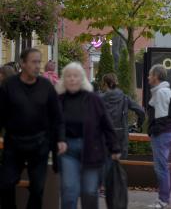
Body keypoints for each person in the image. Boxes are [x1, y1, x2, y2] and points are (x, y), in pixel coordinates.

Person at [0, 48, 67, 209]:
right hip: (14, 144)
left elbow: (57, 116)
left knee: (37, 188)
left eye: (39, 62)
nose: (37, 66)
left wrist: (61, 139)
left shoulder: (46, 86)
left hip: (39, 144)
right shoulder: (9, 85)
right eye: (33, 62)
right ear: (23, 64)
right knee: (6, 183)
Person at [55, 62, 121, 209]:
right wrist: (58, 139)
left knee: (89, 192)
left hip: (91, 149)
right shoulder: (59, 100)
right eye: (68, 76)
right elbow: (53, 123)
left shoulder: (94, 99)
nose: (72, 79)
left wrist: (114, 147)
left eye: (75, 76)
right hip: (67, 150)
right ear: (63, 80)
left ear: (82, 79)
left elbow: (106, 124)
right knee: (69, 191)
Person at [146, 64, 171, 209]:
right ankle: (163, 199)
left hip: (161, 134)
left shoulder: (161, 93)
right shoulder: (165, 91)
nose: (148, 77)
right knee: (162, 167)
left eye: (150, 75)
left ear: (156, 76)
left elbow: (163, 117)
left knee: (161, 168)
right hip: (165, 133)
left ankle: (163, 200)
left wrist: (153, 130)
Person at [101, 73, 145, 159]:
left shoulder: (99, 98)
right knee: (120, 166)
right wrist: (138, 124)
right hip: (121, 138)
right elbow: (141, 111)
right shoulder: (125, 98)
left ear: (105, 84)